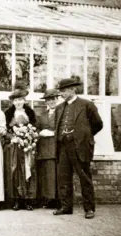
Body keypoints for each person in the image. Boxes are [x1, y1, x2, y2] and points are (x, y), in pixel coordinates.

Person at [53, 78, 103, 219]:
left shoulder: (87, 105)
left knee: (84, 178)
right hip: (63, 146)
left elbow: (98, 124)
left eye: (63, 91)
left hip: (80, 147)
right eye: (60, 91)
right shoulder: (59, 108)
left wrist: (83, 136)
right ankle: (66, 207)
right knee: (63, 178)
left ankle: (89, 209)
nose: (61, 93)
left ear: (73, 89)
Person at [3, 83, 37, 211]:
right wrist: (12, 137)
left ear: (24, 100)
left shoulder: (30, 112)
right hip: (14, 145)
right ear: (12, 101)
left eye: (20, 100)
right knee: (16, 171)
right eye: (15, 100)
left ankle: (28, 200)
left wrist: (29, 134)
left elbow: (35, 126)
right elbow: (5, 129)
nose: (18, 102)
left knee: (28, 170)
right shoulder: (8, 113)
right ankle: (16, 200)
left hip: (27, 146)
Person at [36, 89, 61, 209]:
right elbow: (36, 128)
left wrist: (53, 133)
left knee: (56, 174)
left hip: (56, 148)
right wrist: (40, 132)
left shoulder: (62, 113)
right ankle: (49, 199)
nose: (51, 101)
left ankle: (58, 199)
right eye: (48, 100)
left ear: (57, 99)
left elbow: (66, 129)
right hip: (43, 149)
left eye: (53, 99)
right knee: (46, 174)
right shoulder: (42, 115)